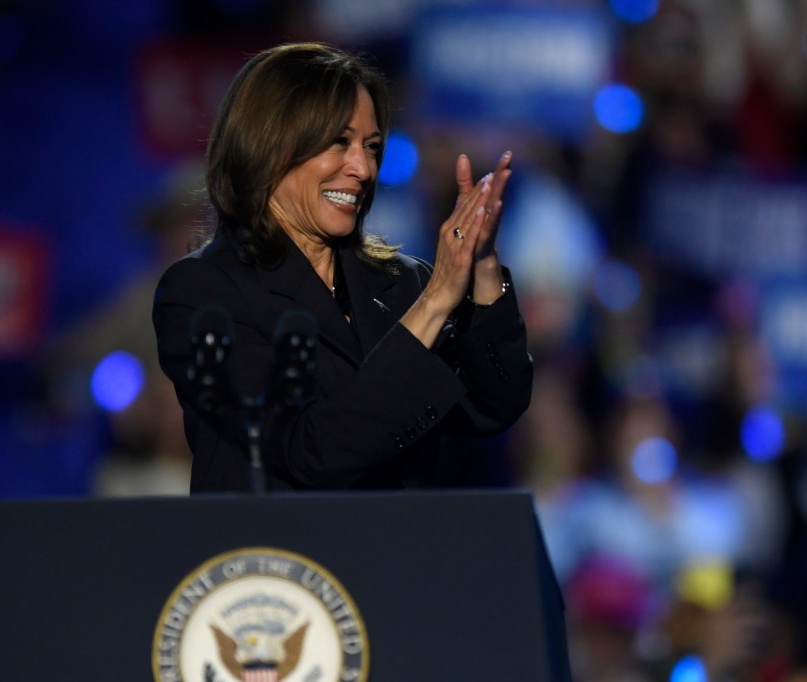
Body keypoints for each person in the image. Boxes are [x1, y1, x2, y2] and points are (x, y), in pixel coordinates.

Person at [152, 42, 533, 493]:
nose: (364, 168)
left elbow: (493, 405)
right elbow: (313, 451)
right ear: (269, 144)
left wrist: (483, 262)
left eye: (371, 147)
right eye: (339, 142)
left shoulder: (400, 283)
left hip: (397, 557)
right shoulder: (204, 292)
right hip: (282, 558)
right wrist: (433, 304)